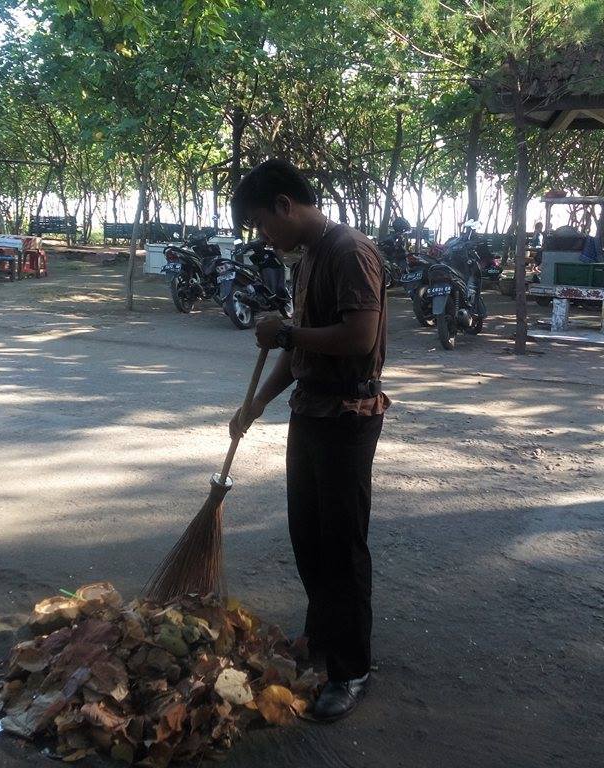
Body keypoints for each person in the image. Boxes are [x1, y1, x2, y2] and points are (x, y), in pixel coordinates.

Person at [227, 159, 390, 722]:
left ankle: (352, 669)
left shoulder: (349, 251)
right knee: (308, 536)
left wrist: (288, 331)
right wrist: (256, 404)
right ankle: (321, 636)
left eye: (262, 224)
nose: (264, 237)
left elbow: (358, 335)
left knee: (342, 544)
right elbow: (300, 356)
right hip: (311, 413)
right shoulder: (309, 258)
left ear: (283, 205)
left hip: (348, 416)